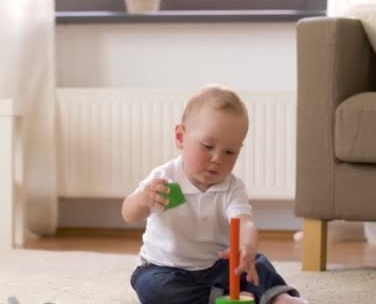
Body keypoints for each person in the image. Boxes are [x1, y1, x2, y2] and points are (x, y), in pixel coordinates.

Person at [121, 84, 308, 304]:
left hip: (218, 267)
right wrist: (143, 198)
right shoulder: (163, 179)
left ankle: (278, 297)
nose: (218, 158)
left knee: (257, 263)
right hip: (165, 268)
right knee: (153, 287)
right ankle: (221, 297)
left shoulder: (232, 187)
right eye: (207, 146)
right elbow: (129, 214)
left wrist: (246, 247)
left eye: (230, 152)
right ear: (181, 137)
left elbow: (244, 223)